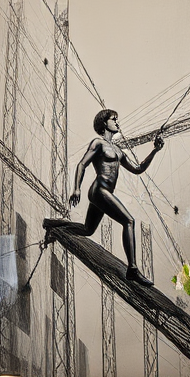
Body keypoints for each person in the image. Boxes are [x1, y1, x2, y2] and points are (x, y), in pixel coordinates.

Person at [60, 108, 164, 285]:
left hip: (105, 193)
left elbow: (138, 169)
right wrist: (76, 188)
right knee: (128, 221)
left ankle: (57, 226)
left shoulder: (118, 150)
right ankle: (132, 269)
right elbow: (81, 164)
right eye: (113, 119)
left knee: (87, 230)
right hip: (99, 191)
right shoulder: (98, 143)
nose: (117, 122)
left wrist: (155, 150)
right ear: (104, 124)